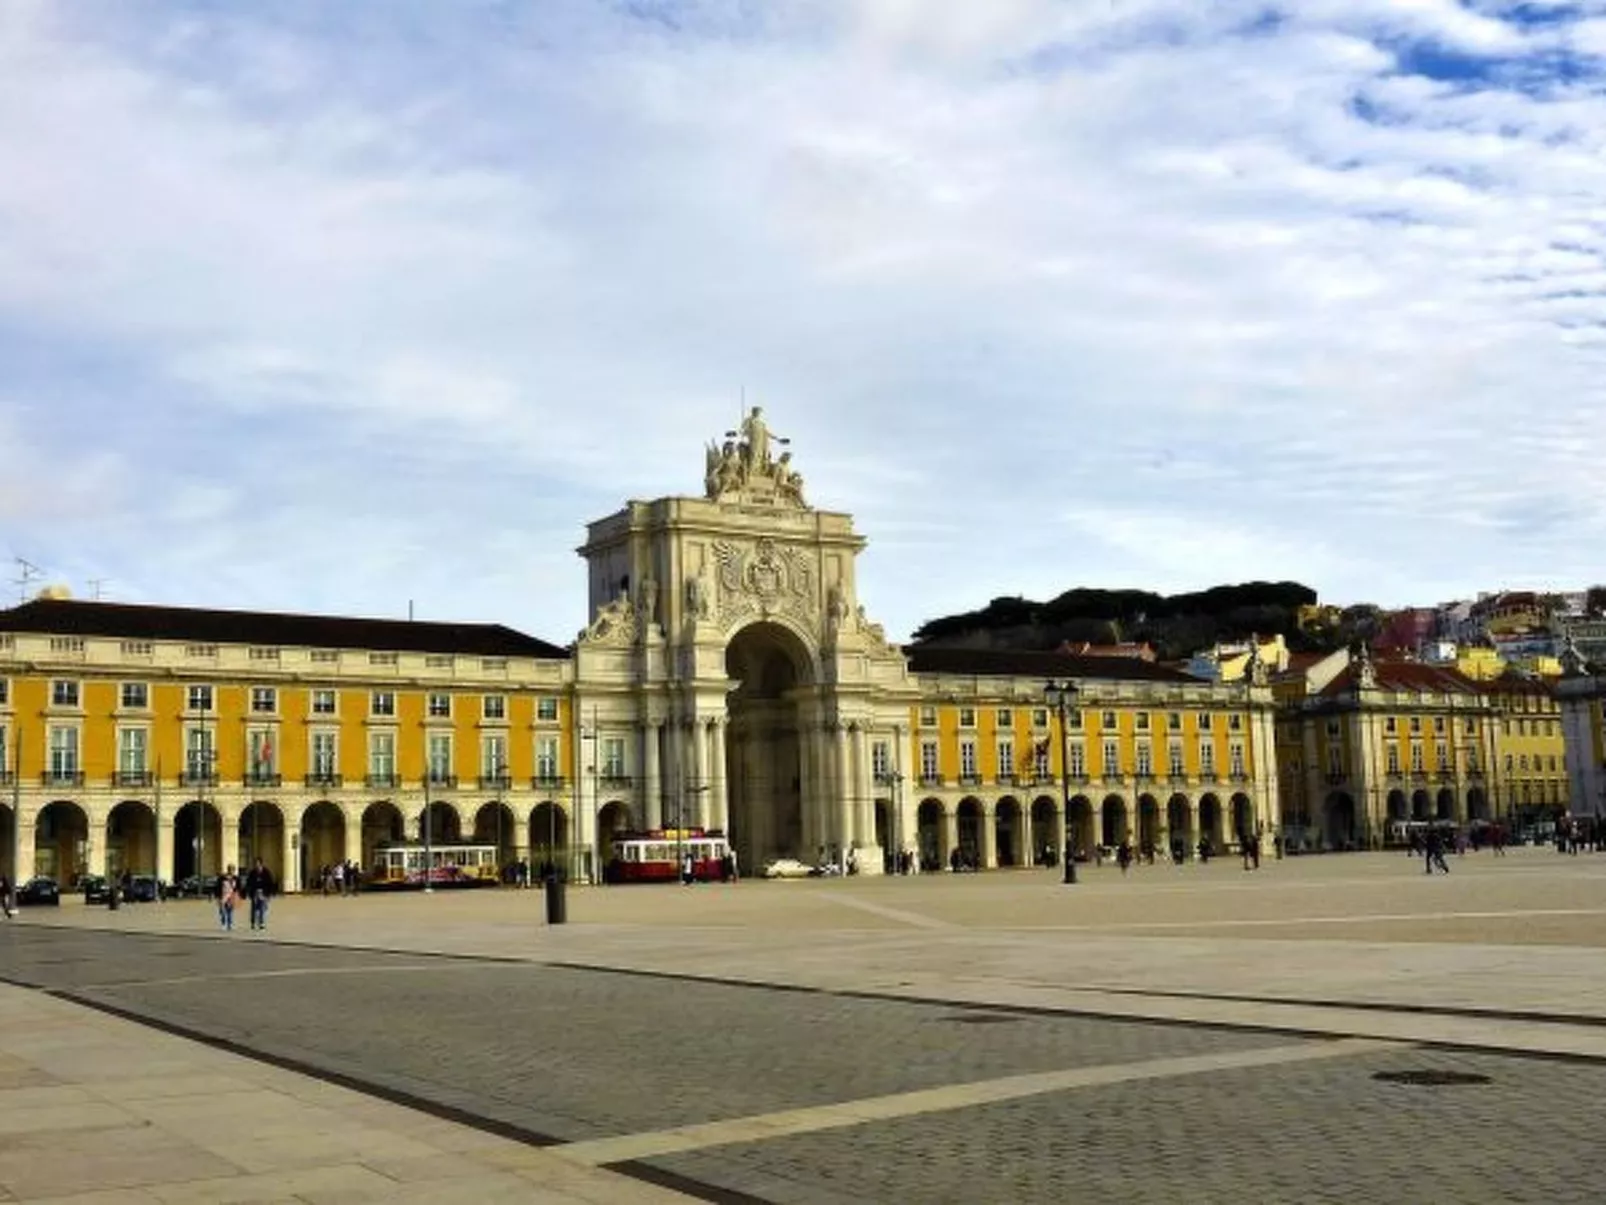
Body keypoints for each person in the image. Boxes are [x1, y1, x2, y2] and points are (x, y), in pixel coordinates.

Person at [245, 857, 276, 932]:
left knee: (262, 908)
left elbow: (270, 883)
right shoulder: (252, 872)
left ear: (261, 864)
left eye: (258, 863)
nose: (256, 865)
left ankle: (262, 924)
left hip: (263, 893)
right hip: (255, 893)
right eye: (255, 864)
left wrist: (269, 894)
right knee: (254, 909)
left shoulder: (266, 872)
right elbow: (248, 883)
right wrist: (248, 892)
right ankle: (253, 923)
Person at [216, 865, 240, 931]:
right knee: (223, 911)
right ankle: (224, 923)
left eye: (232, 870)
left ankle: (230, 924)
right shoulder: (222, 878)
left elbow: (238, 888)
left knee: (230, 911)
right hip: (223, 895)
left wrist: (237, 895)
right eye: (230, 869)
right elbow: (218, 887)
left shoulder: (236, 878)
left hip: (232, 896)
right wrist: (218, 896)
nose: (231, 871)